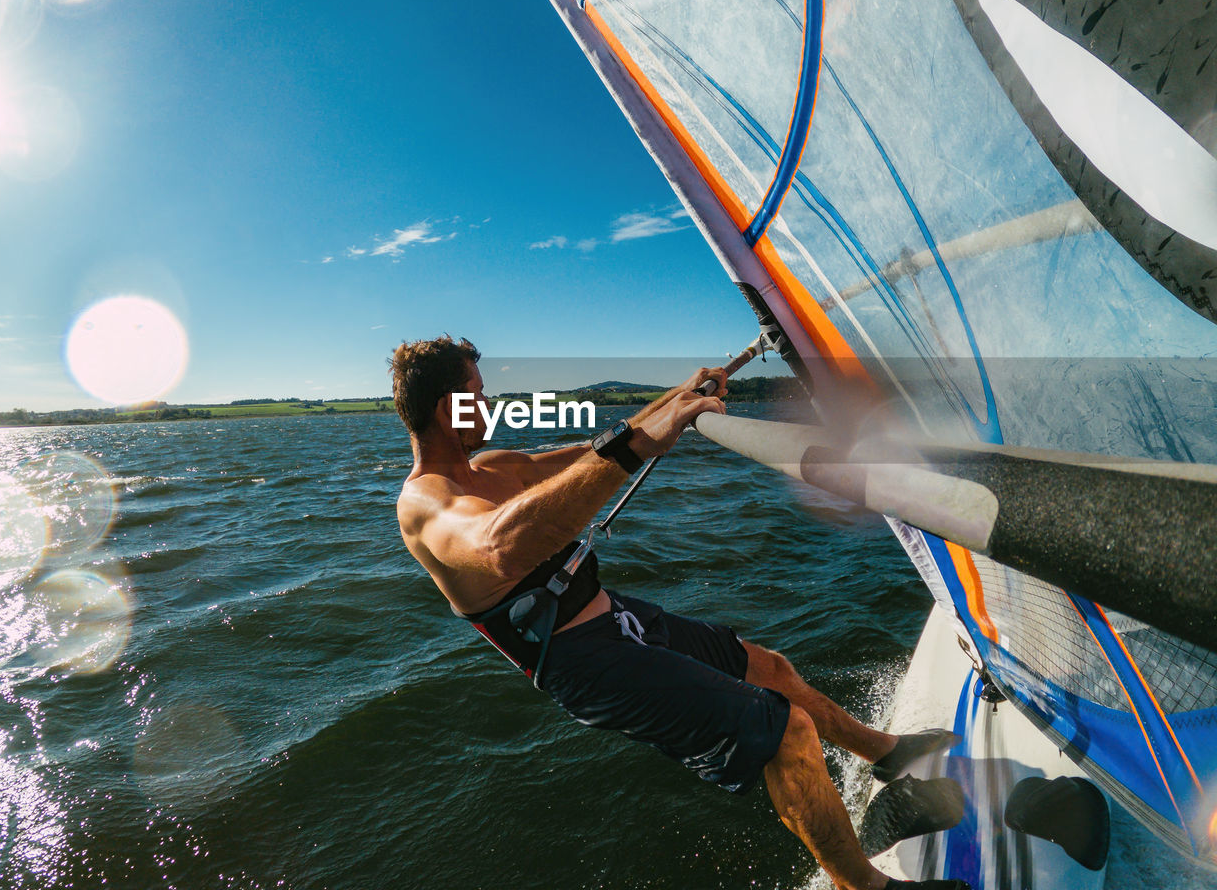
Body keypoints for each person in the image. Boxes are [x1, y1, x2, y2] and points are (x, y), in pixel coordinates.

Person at [392, 335, 967, 890]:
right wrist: (638, 444)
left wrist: (679, 397)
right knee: (785, 731)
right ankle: (860, 886)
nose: (489, 405)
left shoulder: (494, 465)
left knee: (770, 669)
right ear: (450, 408)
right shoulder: (424, 502)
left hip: (617, 619)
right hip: (582, 661)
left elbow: (589, 453)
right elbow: (497, 546)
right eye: (479, 394)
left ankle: (885, 753)